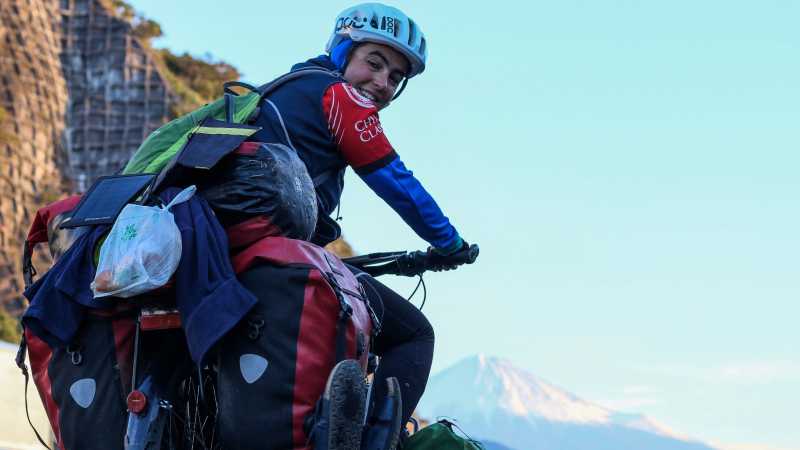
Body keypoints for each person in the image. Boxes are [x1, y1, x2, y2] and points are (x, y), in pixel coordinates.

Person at [248, 3, 474, 448]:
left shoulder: (271, 93)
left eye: (395, 78)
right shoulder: (338, 96)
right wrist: (449, 243)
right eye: (374, 63)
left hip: (222, 243)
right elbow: (396, 182)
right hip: (279, 252)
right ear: (342, 50)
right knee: (414, 334)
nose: (383, 84)